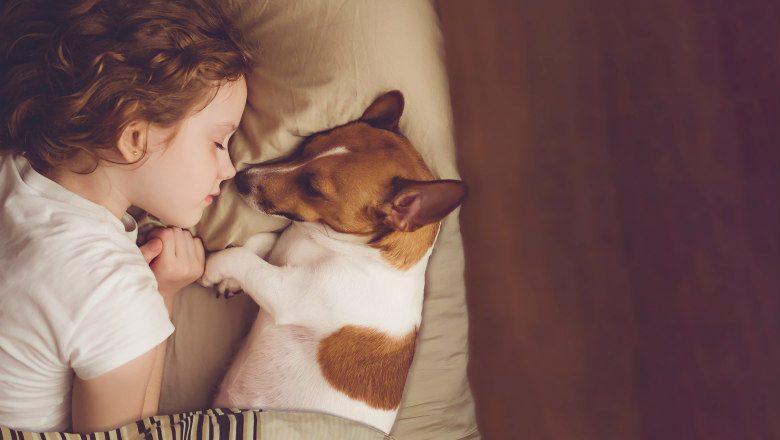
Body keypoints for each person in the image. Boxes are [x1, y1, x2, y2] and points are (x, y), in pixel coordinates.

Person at [0, 0, 251, 433]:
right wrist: (161, 294)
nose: (229, 169)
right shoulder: (114, 291)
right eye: (218, 142)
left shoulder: (10, 166)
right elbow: (127, 432)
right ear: (134, 137)